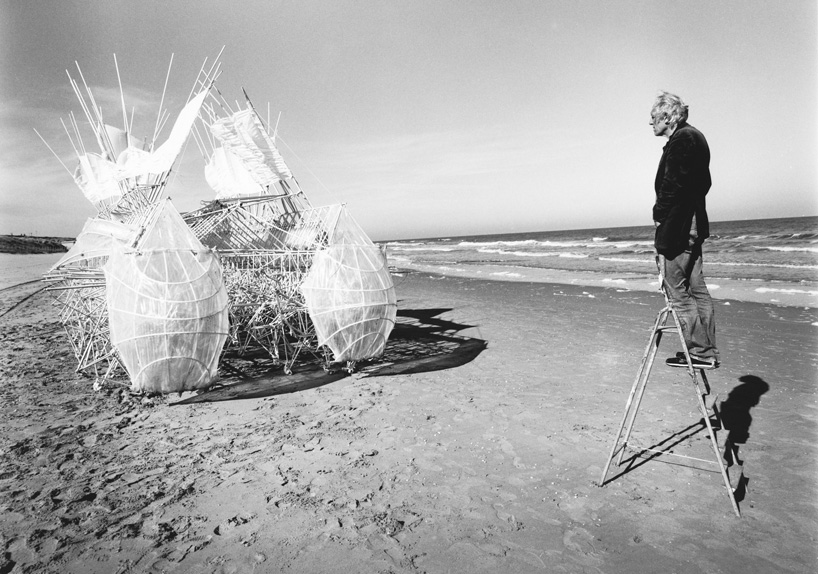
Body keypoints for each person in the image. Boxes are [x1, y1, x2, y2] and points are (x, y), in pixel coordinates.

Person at [649, 91, 720, 368]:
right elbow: (704, 183)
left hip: (680, 223)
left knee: (677, 290)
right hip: (693, 221)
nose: (651, 123)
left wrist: (659, 213)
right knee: (697, 288)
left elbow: (672, 184)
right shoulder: (695, 137)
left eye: (654, 118)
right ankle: (706, 351)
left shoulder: (683, 139)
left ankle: (700, 351)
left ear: (668, 117)